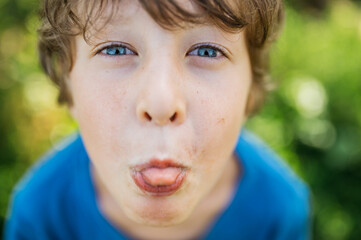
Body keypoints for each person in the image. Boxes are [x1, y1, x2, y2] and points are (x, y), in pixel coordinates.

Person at [4, 0, 311, 239]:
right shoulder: (41, 216)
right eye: (115, 49)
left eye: (206, 50)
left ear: (251, 90)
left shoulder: (278, 211)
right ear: (68, 84)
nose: (161, 103)